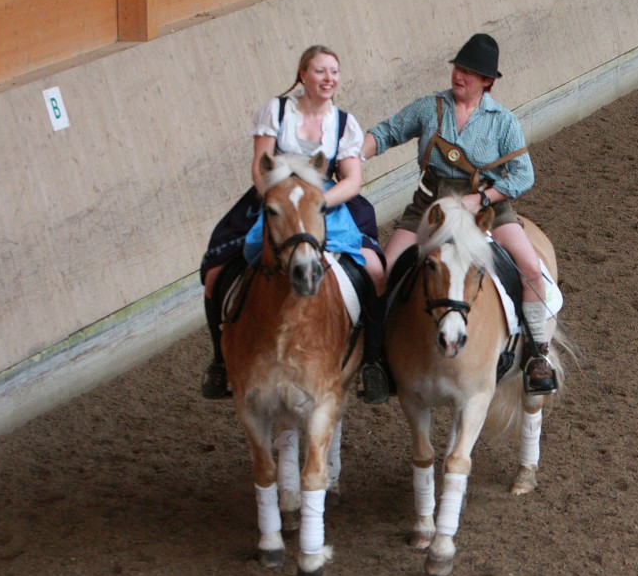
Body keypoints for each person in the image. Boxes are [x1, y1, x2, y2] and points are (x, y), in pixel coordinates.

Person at [361, 33, 557, 395]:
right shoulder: (429, 108)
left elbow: (523, 175)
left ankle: (536, 355)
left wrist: (482, 199)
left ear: (487, 81)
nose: (459, 76)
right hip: (429, 208)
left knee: (530, 268)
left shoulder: (503, 122)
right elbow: (386, 133)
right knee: (382, 273)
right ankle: (374, 359)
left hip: (488, 211)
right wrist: (356, 154)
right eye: (458, 68)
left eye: (469, 72)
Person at [199, 45, 386, 400]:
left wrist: (319, 204)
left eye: (333, 71)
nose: (328, 78)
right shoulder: (277, 110)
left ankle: (373, 361)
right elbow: (260, 164)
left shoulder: (344, 124)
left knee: (375, 271)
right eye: (320, 71)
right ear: (303, 75)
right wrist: (275, 199)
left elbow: (351, 180)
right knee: (214, 275)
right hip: (277, 199)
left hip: (324, 203)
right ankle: (219, 361)